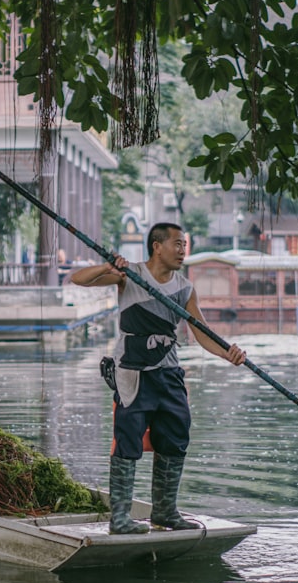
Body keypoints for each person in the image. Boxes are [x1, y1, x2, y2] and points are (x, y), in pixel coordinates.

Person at [69, 222, 246, 534]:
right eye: (177, 244)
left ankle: (165, 513)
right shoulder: (130, 275)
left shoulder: (184, 288)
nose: (182, 251)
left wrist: (228, 353)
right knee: (128, 440)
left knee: (176, 438)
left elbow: (203, 333)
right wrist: (108, 267)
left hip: (169, 375)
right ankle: (121, 519)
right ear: (157, 246)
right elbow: (78, 280)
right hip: (132, 373)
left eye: (185, 245)